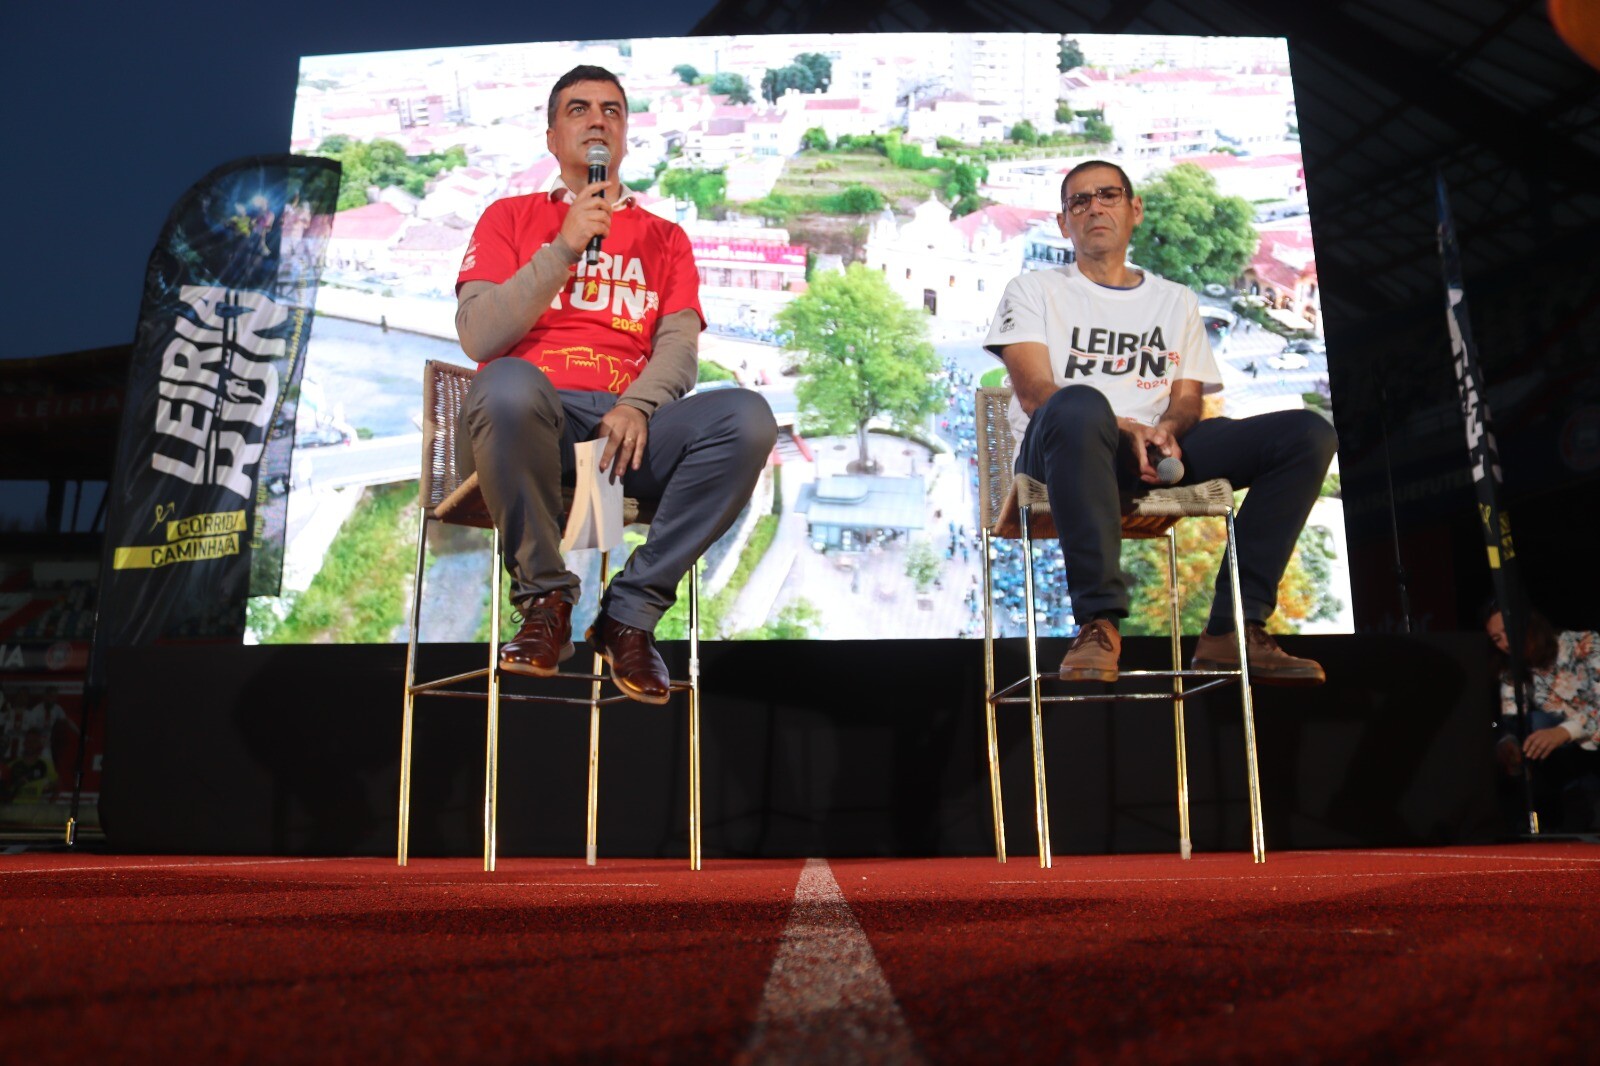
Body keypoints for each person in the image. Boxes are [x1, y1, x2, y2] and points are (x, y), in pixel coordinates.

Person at [454, 65, 776, 703]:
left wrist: (638, 405)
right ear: (552, 138)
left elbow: (680, 350)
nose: (598, 120)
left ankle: (629, 615)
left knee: (747, 419)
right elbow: (478, 337)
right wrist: (564, 247)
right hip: (527, 425)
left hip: (622, 440)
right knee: (511, 382)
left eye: (612, 111)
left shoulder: (666, 238)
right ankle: (545, 603)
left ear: (624, 136)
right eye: (578, 109)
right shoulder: (507, 217)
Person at [984, 160, 1337, 684]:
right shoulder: (1031, 290)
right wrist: (1125, 427)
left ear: (1135, 210)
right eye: (1079, 201)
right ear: (1063, 223)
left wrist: (1166, 431)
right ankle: (1098, 623)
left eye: (1108, 195)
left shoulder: (1176, 300)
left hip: (1154, 453)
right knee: (1080, 404)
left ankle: (1232, 629)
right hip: (1063, 451)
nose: (1095, 208)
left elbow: (1188, 400)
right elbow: (1036, 393)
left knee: (1307, 434)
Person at [1484, 603, 1600, 830]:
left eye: (1508, 631)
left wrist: (1564, 731)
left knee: (1541, 722)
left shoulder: (1584, 644)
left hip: (1591, 748)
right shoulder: (1511, 673)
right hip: (1568, 769)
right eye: (1497, 638)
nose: (1506, 642)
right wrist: (1509, 744)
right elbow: (1512, 720)